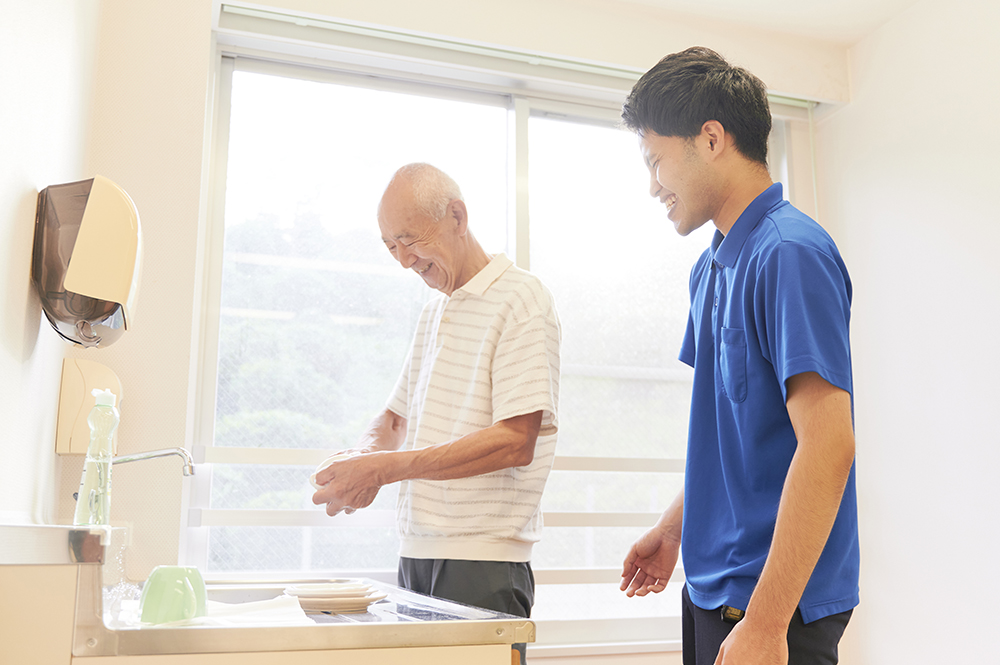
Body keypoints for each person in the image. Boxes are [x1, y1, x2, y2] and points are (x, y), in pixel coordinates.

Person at [617, 47, 859, 665]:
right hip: (713, 589)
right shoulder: (710, 268)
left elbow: (828, 445)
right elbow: (731, 439)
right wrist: (674, 527)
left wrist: (767, 621)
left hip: (773, 603)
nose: (652, 186)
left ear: (711, 138)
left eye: (656, 162)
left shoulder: (790, 253)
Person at [311, 163, 561, 665]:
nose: (405, 260)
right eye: (390, 247)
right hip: (416, 552)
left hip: (482, 560)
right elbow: (394, 420)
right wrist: (361, 459)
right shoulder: (434, 310)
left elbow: (516, 441)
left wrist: (384, 469)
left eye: (409, 240)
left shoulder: (522, 298)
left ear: (457, 217)